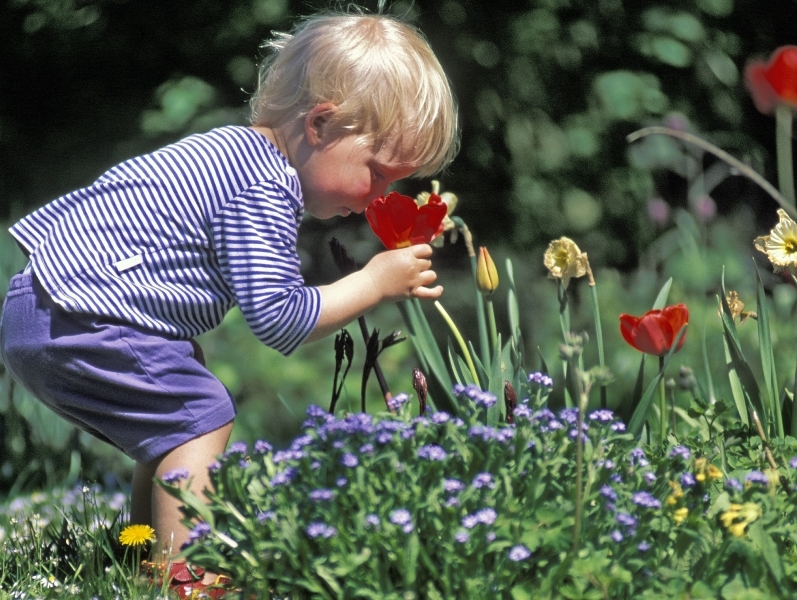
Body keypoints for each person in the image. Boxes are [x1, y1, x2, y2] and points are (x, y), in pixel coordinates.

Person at [0, 8, 458, 597]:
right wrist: (375, 281)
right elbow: (280, 318)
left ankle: (146, 559)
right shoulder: (262, 186)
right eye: (377, 173)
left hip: (43, 305)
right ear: (320, 125)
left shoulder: (230, 153)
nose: (381, 195)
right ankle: (184, 579)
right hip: (80, 313)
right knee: (201, 411)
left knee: (173, 423)